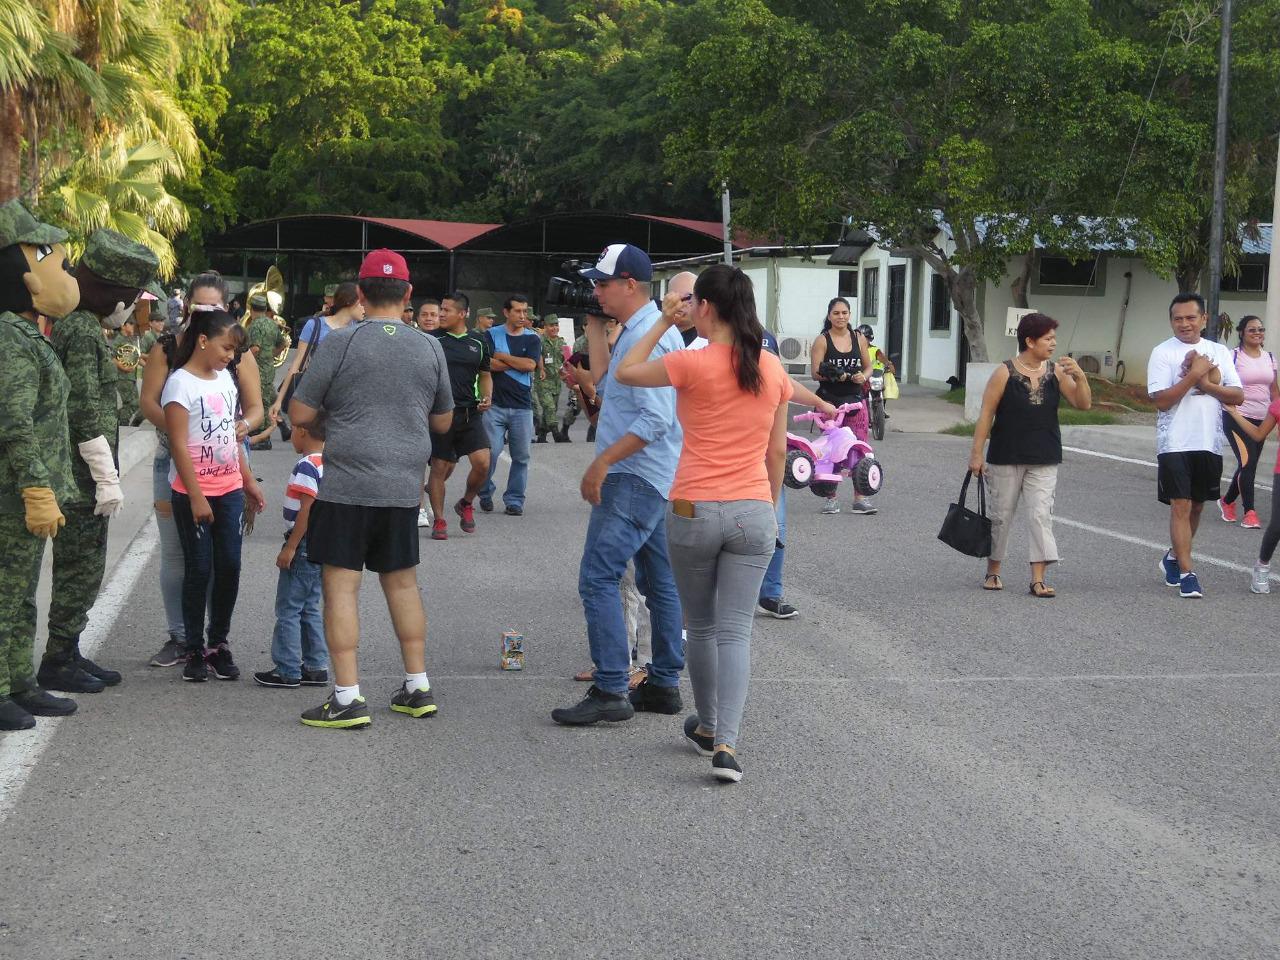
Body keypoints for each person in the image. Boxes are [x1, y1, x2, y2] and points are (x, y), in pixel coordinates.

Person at [612, 264, 790, 783]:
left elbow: (625, 371)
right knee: (737, 631)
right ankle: (726, 743)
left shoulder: (692, 361)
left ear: (704, 307)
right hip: (754, 508)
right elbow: (776, 452)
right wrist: (766, 506)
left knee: (704, 626)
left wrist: (664, 324)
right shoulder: (772, 367)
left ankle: (709, 724)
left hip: (692, 506)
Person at [289, 249, 453, 729]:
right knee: (402, 582)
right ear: (407, 296)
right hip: (403, 485)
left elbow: (300, 414)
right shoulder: (429, 347)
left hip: (346, 483)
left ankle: (346, 696)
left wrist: (338, 413)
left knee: (341, 586)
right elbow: (442, 419)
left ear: (359, 294)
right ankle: (417, 686)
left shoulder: (340, 343)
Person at [551, 243, 685, 727]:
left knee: (598, 578)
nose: (595, 290)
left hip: (634, 476)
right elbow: (609, 390)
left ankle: (611, 687)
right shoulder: (638, 331)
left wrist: (601, 462)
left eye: (602, 283)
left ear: (631, 284)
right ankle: (665, 683)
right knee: (659, 582)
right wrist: (592, 327)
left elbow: (653, 420)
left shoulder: (651, 334)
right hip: (654, 476)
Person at [38, 230, 158, 696]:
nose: (130, 308)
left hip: (82, 467)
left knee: (85, 563)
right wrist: (106, 476)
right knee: (80, 566)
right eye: (128, 299)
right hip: (81, 472)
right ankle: (58, 657)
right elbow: (86, 408)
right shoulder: (83, 330)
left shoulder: (80, 325)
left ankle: (67, 651)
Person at [139, 273, 264, 668]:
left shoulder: (233, 355)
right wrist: (183, 429)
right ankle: (182, 638)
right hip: (175, 463)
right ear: (188, 307)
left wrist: (244, 427)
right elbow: (149, 402)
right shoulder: (168, 348)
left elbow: (253, 409)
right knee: (181, 557)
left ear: (227, 309)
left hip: (226, 464)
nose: (207, 314)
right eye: (200, 307)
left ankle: (214, 641)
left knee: (224, 560)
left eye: (215, 307)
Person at [0, 200, 82, 729]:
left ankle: (18, 681)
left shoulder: (28, 333)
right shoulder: (10, 336)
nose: (67, 273)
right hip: (10, 493)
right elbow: (14, 420)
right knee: (5, 597)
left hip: (24, 492)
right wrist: (35, 486)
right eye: (54, 259)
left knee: (22, 594)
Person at [968, 313, 1092, 598]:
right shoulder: (1004, 372)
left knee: (1040, 516)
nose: (1053, 344)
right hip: (1005, 455)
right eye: (1048, 338)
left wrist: (1080, 377)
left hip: (1044, 456)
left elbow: (1083, 403)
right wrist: (976, 453)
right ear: (1030, 340)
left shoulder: (1055, 372)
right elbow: (986, 414)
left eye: (1053, 339)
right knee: (1001, 516)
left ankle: (1038, 579)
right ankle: (993, 571)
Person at [1149, 293, 1244, 599]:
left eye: (1191, 318)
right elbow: (1162, 401)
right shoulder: (1162, 353)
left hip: (1208, 440)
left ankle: (1174, 557)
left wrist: (1206, 385)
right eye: (1178, 318)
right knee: (1181, 504)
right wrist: (1193, 375)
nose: (1184, 324)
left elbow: (1237, 396)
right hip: (1174, 441)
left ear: (1204, 319)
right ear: (1171, 321)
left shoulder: (1218, 351)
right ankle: (1189, 574)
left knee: (1198, 505)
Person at [253, 416, 330, 688]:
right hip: (323, 543)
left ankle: (287, 668)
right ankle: (316, 665)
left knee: (289, 607)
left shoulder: (307, 465)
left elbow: (307, 509)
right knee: (309, 606)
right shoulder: (330, 462)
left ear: (301, 431)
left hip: (304, 543)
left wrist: (291, 546)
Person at [425, 291, 493, 540]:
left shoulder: (479, 341)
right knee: (440, 468)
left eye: (446, 310)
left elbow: (485, 374)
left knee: (483, 462)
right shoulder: (431, 340)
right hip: (441, 413)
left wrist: (487, 396)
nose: (441, 314)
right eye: (440, 309)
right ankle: (440, 520)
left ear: (463, 314)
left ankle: (466, 502)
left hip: (470, 413)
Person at [811, 297, 875, 514]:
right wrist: (835, 376)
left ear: (850, 315)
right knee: (830, 451)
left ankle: (861, 498)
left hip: (855, 401)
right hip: (829, 402)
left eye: (845, 313)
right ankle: (830, 498)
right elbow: (815, 372)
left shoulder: (859, 338)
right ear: (829, 316)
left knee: (858, 449)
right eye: (836, 313)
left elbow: (869, 367)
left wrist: (862, 377)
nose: (841, 317)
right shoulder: (822, 340)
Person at [270, 282, 362, 433]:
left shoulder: (358, 330)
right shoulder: (315, 325)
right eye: (361, 303)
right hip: (315, 397)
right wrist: (279, 401)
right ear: (349, 302)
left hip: (343, 401)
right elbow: (297, 363)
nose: (365, 307)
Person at [478, 295, 540, 515]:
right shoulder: (491, 334)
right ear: (506, 312)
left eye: (525, 311)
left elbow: (530, 365)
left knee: (521, 456)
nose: (523, 316)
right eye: (518, 311)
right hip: (495, 405)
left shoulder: (532, 339)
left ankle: (514, 500)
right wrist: (517, 364)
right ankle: (484, 492)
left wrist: (503, 356)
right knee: (491, 453)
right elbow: (488, 363)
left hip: (522, 408)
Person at [1218, 315, 1276, 529]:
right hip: (1237, 416)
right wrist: (1228, 408)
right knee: (1248, 463)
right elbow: (1221, 384)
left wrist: (1277, 417)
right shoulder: (1233, 356)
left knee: (1248, 464)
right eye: (1252, 329)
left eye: (1261, 329)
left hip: (1262, 419)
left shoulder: (1269, 357)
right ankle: (1249, 512)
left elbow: (1274, 391)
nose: (1258, 333)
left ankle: (1227, 501)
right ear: (1241, 332)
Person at [245, 293, 287, 450]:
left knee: (261, 401)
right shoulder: (272, 324)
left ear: (251, 308)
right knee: (270, 398)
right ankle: (284, 427)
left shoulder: (255, 325)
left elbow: (254, 349)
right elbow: (282, 344)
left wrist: (244, 361)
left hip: (257, 369)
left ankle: (264, 438)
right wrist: (271, 356)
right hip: (269, 368)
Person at [534, 313, 568, 443]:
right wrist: (541, 369)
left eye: (556, 325)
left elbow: (567, 360)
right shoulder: (540, 341)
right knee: (550, 407)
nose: (554, 328)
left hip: (556, 382)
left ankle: (541, 436)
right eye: (551, 325)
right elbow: (538, 356)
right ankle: (556, 433)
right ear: (545, 327)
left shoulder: (562, 342)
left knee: (551, 408)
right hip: (543, 381)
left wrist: (567, 373)